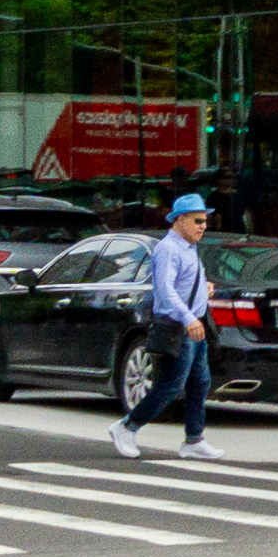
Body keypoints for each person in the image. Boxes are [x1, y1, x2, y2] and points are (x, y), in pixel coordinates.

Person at [109, 194, 223, 461]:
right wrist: (189, 318)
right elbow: (165, 291)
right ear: (180, 220)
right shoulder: (168, 249)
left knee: (200, 383)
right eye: (197, 221)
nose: (203, 226)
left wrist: (204, 288)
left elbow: (188, 280)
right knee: (172, 386)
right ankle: (126, 427)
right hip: (176, 327)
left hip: (194, 327)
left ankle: (194, 440)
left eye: (205, 221)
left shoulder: (189, 246)